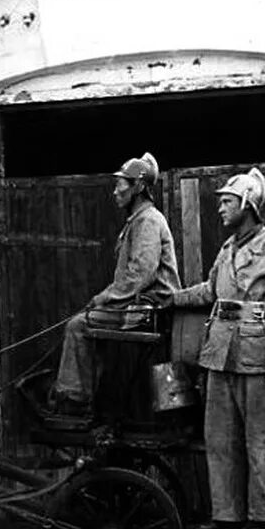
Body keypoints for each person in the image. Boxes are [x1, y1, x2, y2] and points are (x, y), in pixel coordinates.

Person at [172, 168, 265, 529]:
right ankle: (226, 515)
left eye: (227, 202)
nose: (221, 209)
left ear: (247, 205)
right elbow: (209, 292)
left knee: (260, 439)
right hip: (220, 356)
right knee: (219, 438)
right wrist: (171, 298)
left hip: (257, 359)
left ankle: (262, 517)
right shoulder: (228, 249)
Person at [47, 152, 181, 416]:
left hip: (149, 311)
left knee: (78, 325)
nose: (115, 191)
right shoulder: (139, 220)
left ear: (138, 187)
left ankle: (74, 401)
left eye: (121, 184)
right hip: (138, 307)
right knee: (85, 323)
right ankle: (92, 396)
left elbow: (139, 275)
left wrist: (104, 297)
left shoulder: (148, 221)